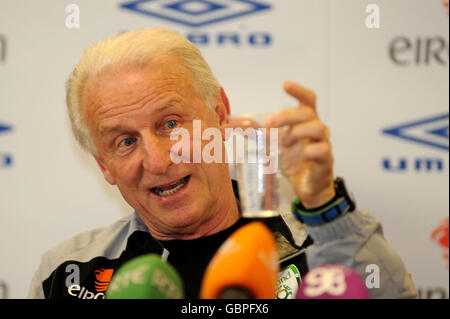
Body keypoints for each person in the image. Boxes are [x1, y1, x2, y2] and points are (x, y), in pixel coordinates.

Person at [28, 28, 417, 299]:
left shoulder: (321, 245)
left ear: (220, 114)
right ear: (104, 166)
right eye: (126, 141)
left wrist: (324, 209)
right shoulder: (66, 275)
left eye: (171, 124)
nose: (159, 161)